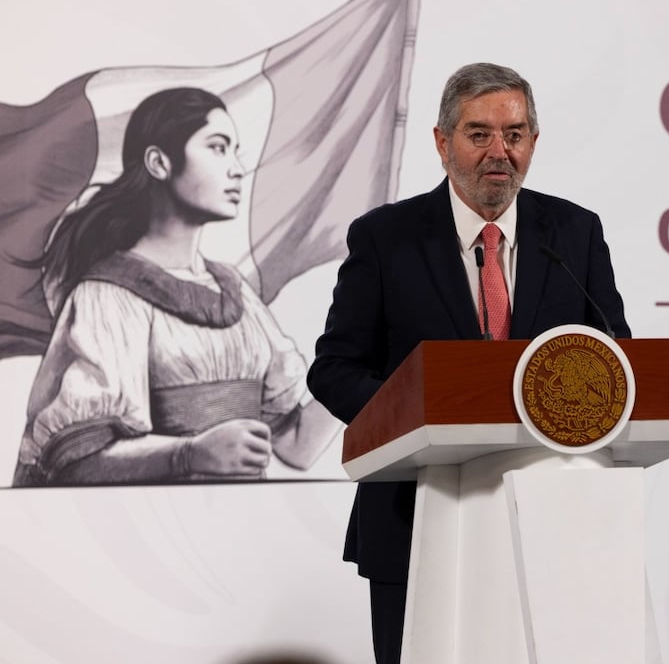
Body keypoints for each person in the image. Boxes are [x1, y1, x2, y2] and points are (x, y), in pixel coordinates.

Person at [307, 63, 631, 664]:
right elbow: (334, 369)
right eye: (479, 134)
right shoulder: (385, 237)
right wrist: (415, 417)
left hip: (552, 522)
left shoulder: (575, 233)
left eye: (515, 134)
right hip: (414, 513)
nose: (499, 152)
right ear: (442, 142)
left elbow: (614, 358)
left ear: (534, 141)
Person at [13, 87, 340, 487]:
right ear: (159, 162)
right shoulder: (108, 296)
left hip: (243, 519)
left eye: (235, 151)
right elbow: (77, 461)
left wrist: (374, 362)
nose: (237, 169)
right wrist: (189, 453)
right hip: (155, 521)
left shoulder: (234, 291)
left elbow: (296, 444)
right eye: (218, 148)